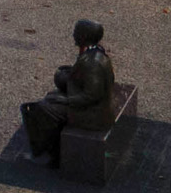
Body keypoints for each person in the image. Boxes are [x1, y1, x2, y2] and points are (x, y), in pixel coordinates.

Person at [21, 19, 116, 167]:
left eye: (76, 32)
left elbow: (91, 96)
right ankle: (50, 148)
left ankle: (52, 154)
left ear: (84, 36)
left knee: (44, 108)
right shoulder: (96, 53)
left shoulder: (92, 62)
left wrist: (66, 100)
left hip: (93, 115)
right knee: (51, 97)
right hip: (94, 107)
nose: (73, 35)